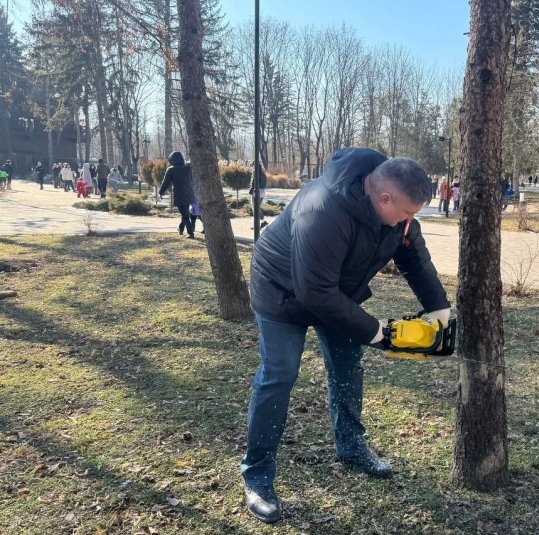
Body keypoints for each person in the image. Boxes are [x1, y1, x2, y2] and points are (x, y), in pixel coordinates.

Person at [243, 147, 451, 523]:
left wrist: (440, 312)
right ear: (384, 198)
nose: (408, 222)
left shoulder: (394, 215)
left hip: (336, 292)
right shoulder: (322, 209)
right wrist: (377, 332)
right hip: (283, 293)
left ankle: (352, 447)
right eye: (406, 214)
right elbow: (315, 293)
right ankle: (257, 475)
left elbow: (414, 257)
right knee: (279, 374)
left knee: (347, 367)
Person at [159, 151, 196, 238]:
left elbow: (165, 183)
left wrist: (160, 192)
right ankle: (181, 229)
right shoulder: (188, 168)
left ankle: (191, 233)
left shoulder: (171, 170)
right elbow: (192, 180)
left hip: (179, 195)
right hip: (190, 194)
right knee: (185, 213)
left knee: (185, 215)